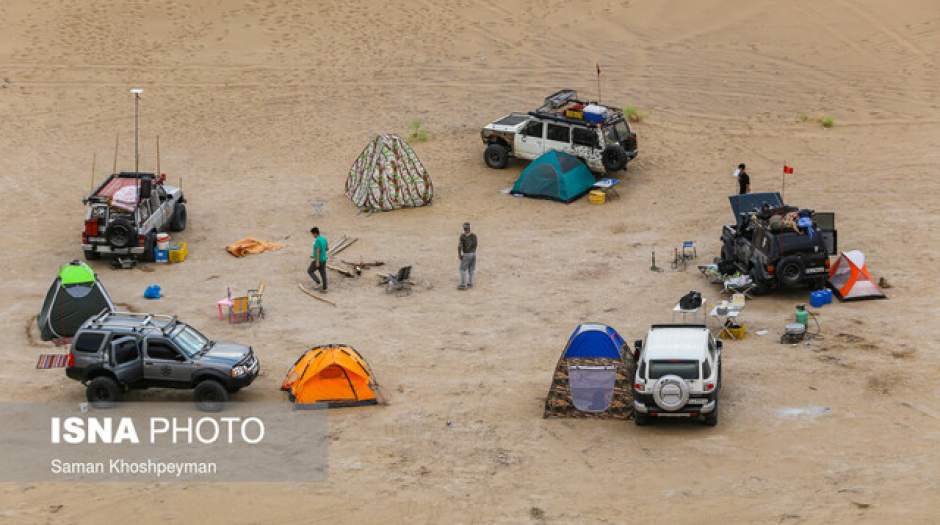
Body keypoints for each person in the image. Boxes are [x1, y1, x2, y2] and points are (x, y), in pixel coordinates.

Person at [308, 227, 328, 292]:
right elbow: (327, 248)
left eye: (312, 234)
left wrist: (317, 261)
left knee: (310, 271)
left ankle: (318, 282)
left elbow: (318, 250)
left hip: (318, 259)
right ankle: (324, 288)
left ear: (315, 233)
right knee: (323, 274)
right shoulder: (324, 239)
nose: (313, 236)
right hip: (324, 259)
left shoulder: (317, 240)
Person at [457, 222, 477, 290]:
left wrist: (460, 254)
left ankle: (463, 285)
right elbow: (475, 245)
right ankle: (470, 283)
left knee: (462, 269)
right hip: (474, 254)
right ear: (469, 228)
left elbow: (459, 246)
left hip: (467, 254)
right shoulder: (474, 235)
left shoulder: (462, 236)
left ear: (464, 228)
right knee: (471, 269)